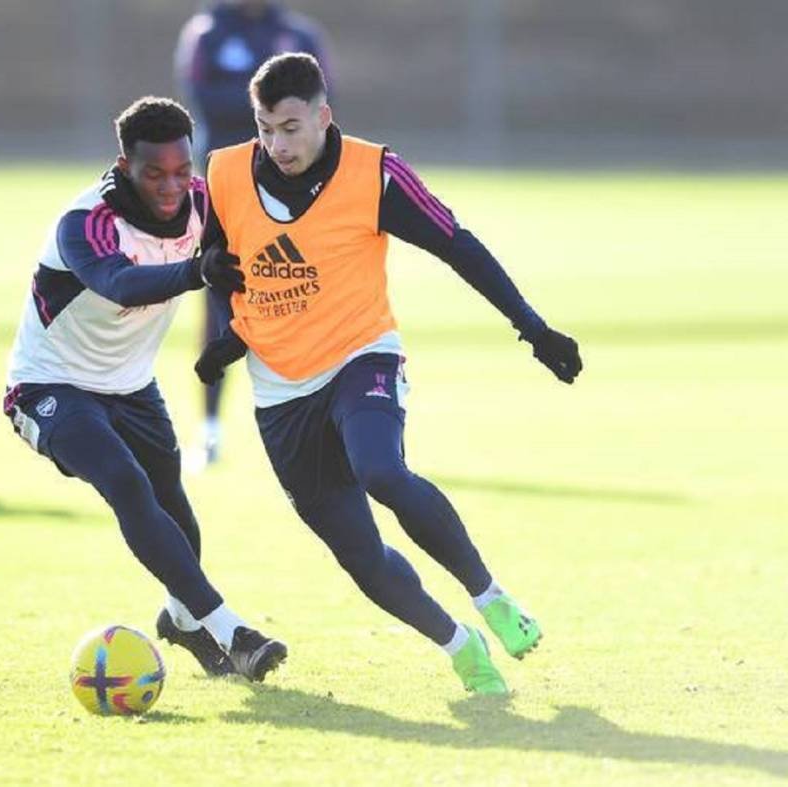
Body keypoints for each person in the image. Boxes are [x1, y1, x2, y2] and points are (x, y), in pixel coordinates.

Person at [196, 54, 584, 695]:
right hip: (279, 388)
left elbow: (456, 243)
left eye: (291, 126)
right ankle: (461, 647)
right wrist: (221, 307)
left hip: (359, 356)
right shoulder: (225, 171)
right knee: (359, 557)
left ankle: (490, 596)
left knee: (381, 470)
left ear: (324, 116)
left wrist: (533, 327)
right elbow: (218, 256)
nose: (276, 144)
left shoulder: (375, 175)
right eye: (265, 127)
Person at [3, 96, 286, 681]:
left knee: (177, 513)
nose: (171, 186)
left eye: (182, 172)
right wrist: (194, 272)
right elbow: (120, 282)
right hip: (50, 385)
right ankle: (232, 631)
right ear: (125, 164)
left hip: (131, 387)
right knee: (125, 482)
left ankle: (182, 620)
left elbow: (248, 261)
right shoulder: (85, 223)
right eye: (154, 173)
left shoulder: (202, 202)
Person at [175, 0, 331, 467]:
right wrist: (278, 114)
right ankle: (210, 430)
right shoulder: (207, 33)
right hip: (227, 188)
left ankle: (324, 424)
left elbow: (322, 102)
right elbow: (203, 99)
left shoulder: (298, 34)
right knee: (218, 297)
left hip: (296, 187)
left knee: (307, 294)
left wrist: (269, 119)